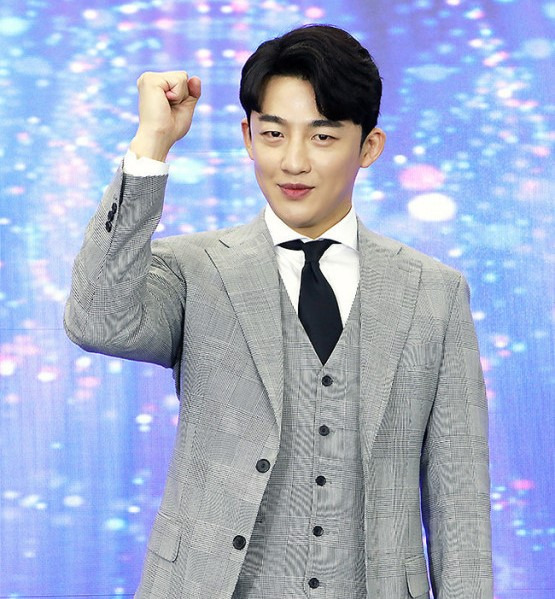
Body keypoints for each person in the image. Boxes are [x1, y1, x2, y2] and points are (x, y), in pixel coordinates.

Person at [64, 24, 493, 599]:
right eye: (272, 133)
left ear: (369, 147)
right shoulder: (194, 270)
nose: (293, 162)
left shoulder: (434, 292)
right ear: (247, 137)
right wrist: (152, 145)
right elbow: (97, 319)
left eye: (322, 137)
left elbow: (459, 499)